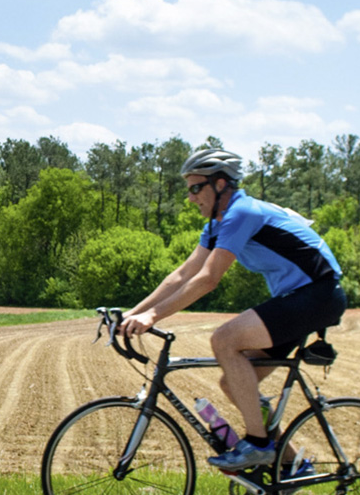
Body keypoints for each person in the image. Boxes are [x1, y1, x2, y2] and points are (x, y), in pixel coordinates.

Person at [121, 147, 347, 471]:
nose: (190, 197)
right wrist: (133, 313)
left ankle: (258, 445)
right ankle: (294, 463)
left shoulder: (243, 212)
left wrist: (153, 316)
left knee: (225, 340)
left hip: (318, 294)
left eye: (196, 187)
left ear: (221, 184)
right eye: (188, 189)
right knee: (235, 384)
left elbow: (208, 279)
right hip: (301, 298)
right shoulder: (217, 225)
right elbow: (183, 275)